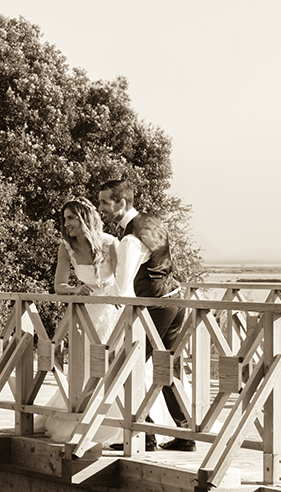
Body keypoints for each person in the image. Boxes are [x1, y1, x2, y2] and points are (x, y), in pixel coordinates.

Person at [97, 178, 195, 452]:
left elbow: (121, 287)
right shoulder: (153, 221)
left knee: (124, 367)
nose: (101, 206)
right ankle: (185, 435)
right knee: (166, 370)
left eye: (105, 201)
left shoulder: (129, 239)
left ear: (122, 203)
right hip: (175, 301)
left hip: (156, 307)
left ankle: (145, 436)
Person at [39, 197, 125, 448]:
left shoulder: (110, 243)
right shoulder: (66, 248)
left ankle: (121, 424)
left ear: (85, 219)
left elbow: (124, 281)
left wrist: (116, 296)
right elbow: (59, 286)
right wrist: (76, 290)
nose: (66, 224)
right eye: (64, 219)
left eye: (71, 218)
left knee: (114, 364)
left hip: (112, 312)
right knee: (86, 364)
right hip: (86, 315)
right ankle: (83, 418)